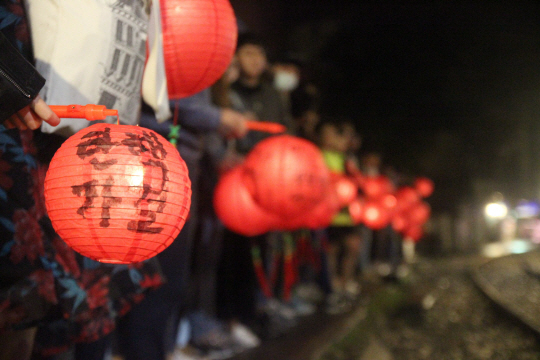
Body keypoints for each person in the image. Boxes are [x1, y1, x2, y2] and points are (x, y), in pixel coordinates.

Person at [1, 1, 167, 359]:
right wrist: (9, 78)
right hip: (25, 122)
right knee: (24, 286)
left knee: (69, 286)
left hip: (71, 137)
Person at [317, 117, 363, 314]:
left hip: (347, 213)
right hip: (329, 213)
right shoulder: (318, 156)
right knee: (332, 250)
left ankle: (345, 283)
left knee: (352, 246)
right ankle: (333, 287)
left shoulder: (347, 160)